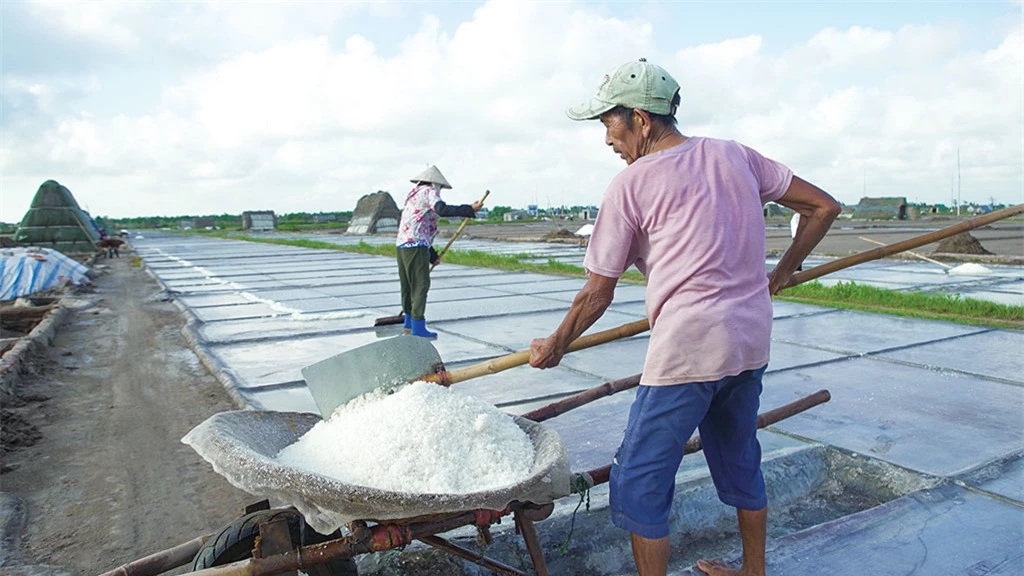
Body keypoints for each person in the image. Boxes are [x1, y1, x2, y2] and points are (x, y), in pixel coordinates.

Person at [528, 59, 841, 576]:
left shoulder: (629, 186)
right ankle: (754, 572)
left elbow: (596, 293)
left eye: (609, 124)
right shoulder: (734, 156)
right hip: (748, 343)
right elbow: (823, 207)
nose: (607, 139)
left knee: (641, 480)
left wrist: (557, 342)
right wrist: (781, 273)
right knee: (740, 455)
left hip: (688, 352)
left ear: (640, 119)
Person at [395, 165, 483, 338]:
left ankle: (408, 322)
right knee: (420, 285)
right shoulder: (429, 192)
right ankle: (418, 328)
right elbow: (442, 210)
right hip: (416, 245)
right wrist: (469, 209)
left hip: (403, 244)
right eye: (440, 187)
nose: (440, 190)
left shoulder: (413, 194)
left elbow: (420, 225)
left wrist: (432, 256)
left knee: (408, 285)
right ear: (435, 183)